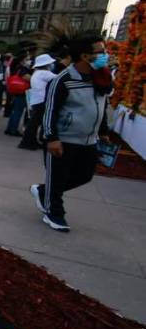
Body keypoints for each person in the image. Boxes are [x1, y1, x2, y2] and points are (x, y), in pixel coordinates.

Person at [32, 35, 111, 232]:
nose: (105, 55)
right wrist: (52, 138)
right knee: (58, 176)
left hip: (88, 139)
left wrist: (103, 130)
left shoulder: (99, 77)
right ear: (85, 56)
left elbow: (102, 103)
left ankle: (44, 191)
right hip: (64, 138)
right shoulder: (63, 80)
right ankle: (54, 212)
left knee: (85, 175)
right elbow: (50, 110)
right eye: (100, 52)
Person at [18, 54, 57, 150]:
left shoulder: (37, 73)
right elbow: (59, 78)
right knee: (35, 123)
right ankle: (27, 142)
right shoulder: (44, 73)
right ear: (46, 64)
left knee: (34, 123)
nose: (52, 65)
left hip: (36, 101)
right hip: (42, 101)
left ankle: (30, 141)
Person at [5, 51, 33, 137]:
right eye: (27, 59)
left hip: (15, 90)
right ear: (22, 60)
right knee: (18, 111)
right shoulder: (22, 69)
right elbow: (28, 78)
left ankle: (9, 129)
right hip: (22, 91)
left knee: (15, 111)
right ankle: (13, 130)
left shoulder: (15, 67)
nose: (29, 61)